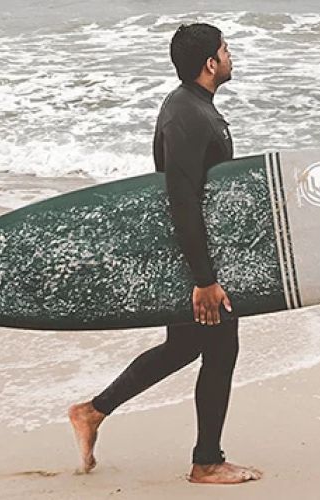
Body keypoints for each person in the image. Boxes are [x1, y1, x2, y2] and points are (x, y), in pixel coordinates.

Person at [65, 22, 263, 485]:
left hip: (194, 253)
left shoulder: (194, 107)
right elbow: (182, 199)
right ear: (210, 63)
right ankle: (206, 462)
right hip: (192, 258)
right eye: (226, 50)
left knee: (187, 345)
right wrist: (204, 279)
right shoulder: (186, 115)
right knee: (218, 348)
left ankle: (92, 412)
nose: (231, 56)